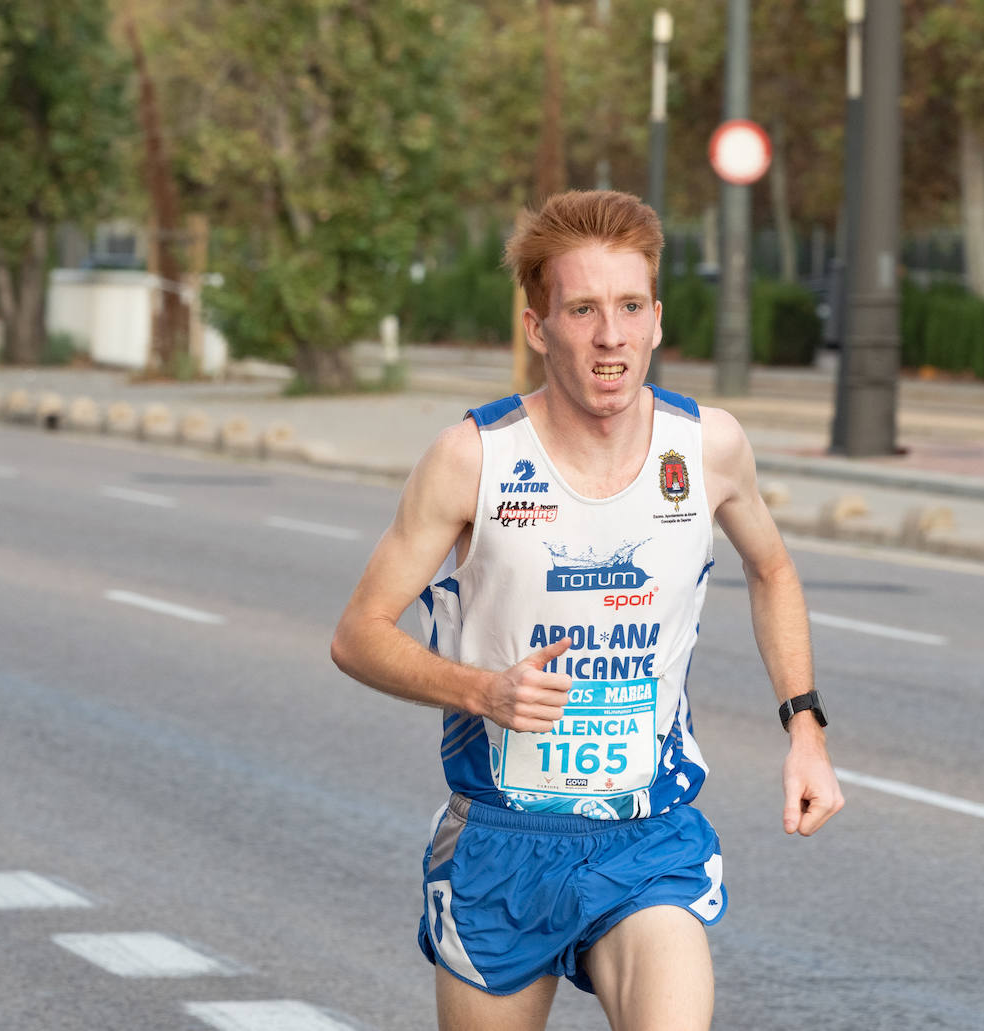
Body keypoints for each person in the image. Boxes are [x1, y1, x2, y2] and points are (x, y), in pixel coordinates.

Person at [331, 189, 843, 1031]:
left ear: (657, 319)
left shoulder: (706, 446)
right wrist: (481, 692)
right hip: (502, 838)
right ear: (538, 326)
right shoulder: (474, 458)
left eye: (630, 307)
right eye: (583, 309)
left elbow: (773, 566)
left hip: (645, 837)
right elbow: (357, 636)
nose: (611, 336)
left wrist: (805, 727)